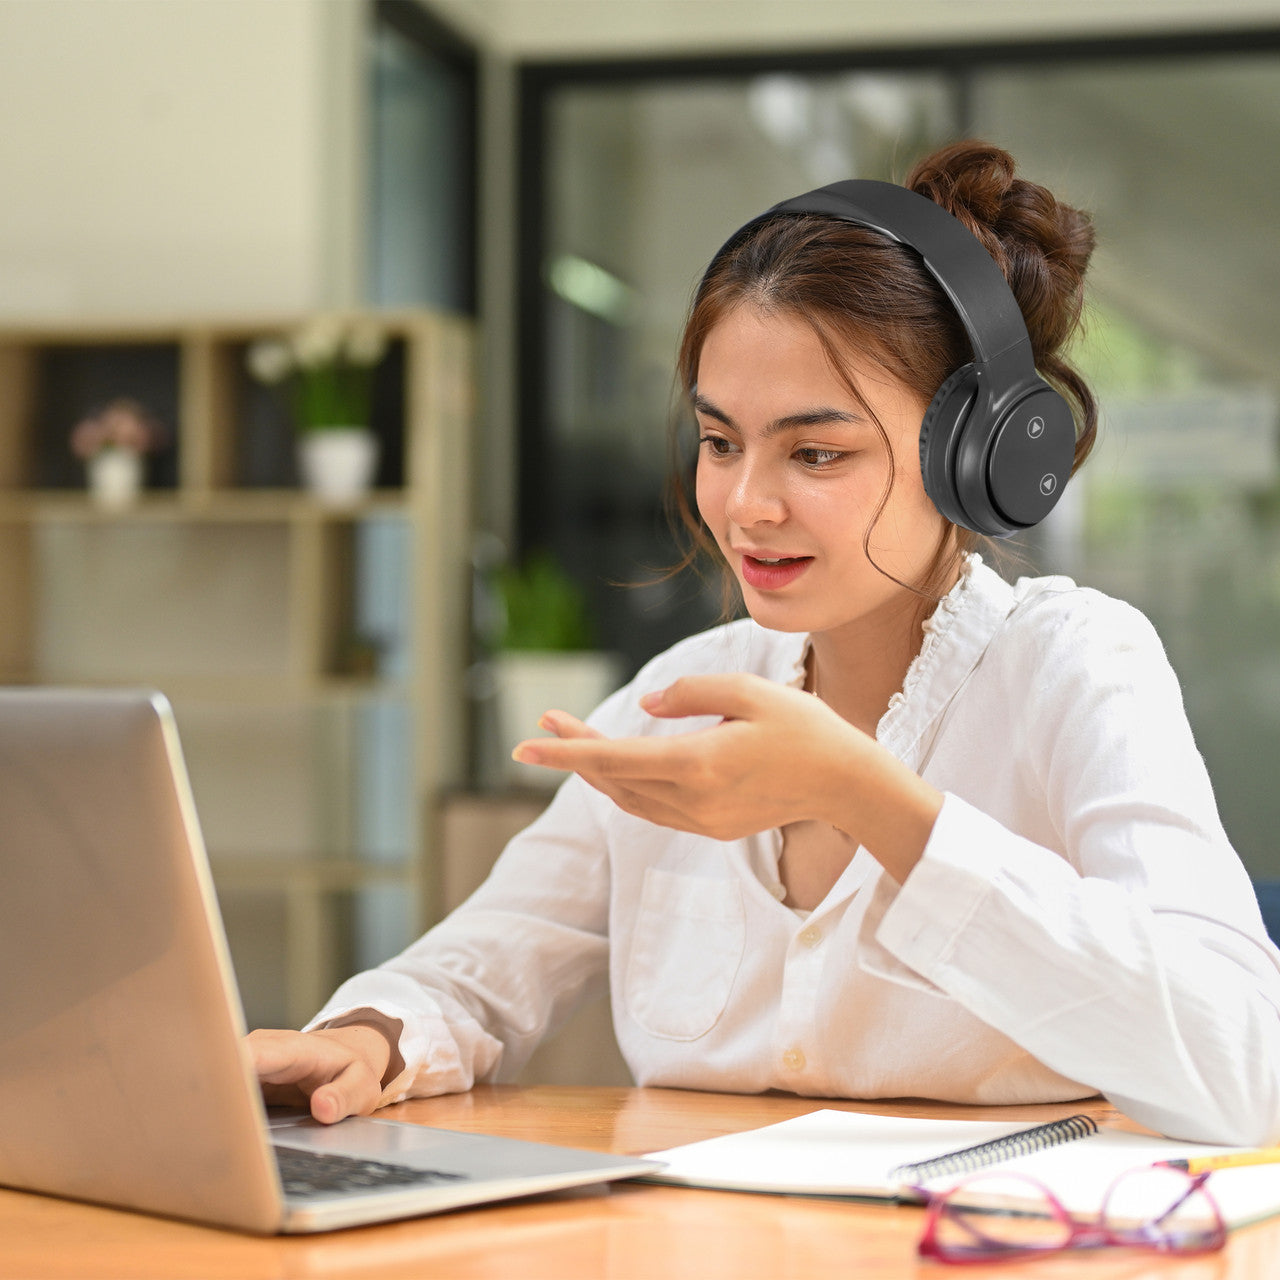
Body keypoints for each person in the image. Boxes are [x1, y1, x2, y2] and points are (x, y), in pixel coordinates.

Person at [250, 140, 1280, 1147]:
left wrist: (865, 795)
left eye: (815, 450)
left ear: (975, 457)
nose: (743, 504)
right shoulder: (686, 690)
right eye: (717, 441)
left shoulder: (1072, 665)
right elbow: (478, 965)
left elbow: (1245, 1067)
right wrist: (366, 1039)